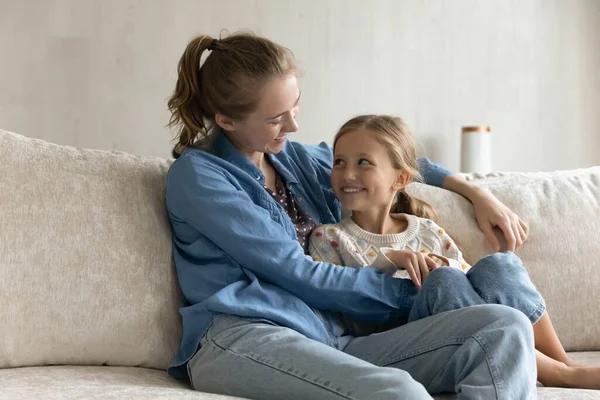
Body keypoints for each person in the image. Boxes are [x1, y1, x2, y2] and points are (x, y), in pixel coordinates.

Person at [165, 32, 537, 399]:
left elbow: (398, 160)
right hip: (247, 337)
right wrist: (415, 292)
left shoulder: (293, 158)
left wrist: (477, 193)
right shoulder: (200, 177)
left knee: (505, 328)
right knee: (398, 393)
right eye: (276, 119)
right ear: (227, 121)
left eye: (294, 106)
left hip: (333, 337)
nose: (293, 126)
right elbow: (296, 271)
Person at [309, 114, 600, 390]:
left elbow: (468, 280)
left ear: (399, 179)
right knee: (443, 281)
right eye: (339, 162)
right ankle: (557, 372)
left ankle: (562, 364)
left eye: (363, 163)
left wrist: (441, 263)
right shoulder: (330, 238)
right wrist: (390, 261)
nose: (347, 173)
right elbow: (340, 304)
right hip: (397, 344)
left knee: (498, 266)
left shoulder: (425, 230)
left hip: (457, 325)